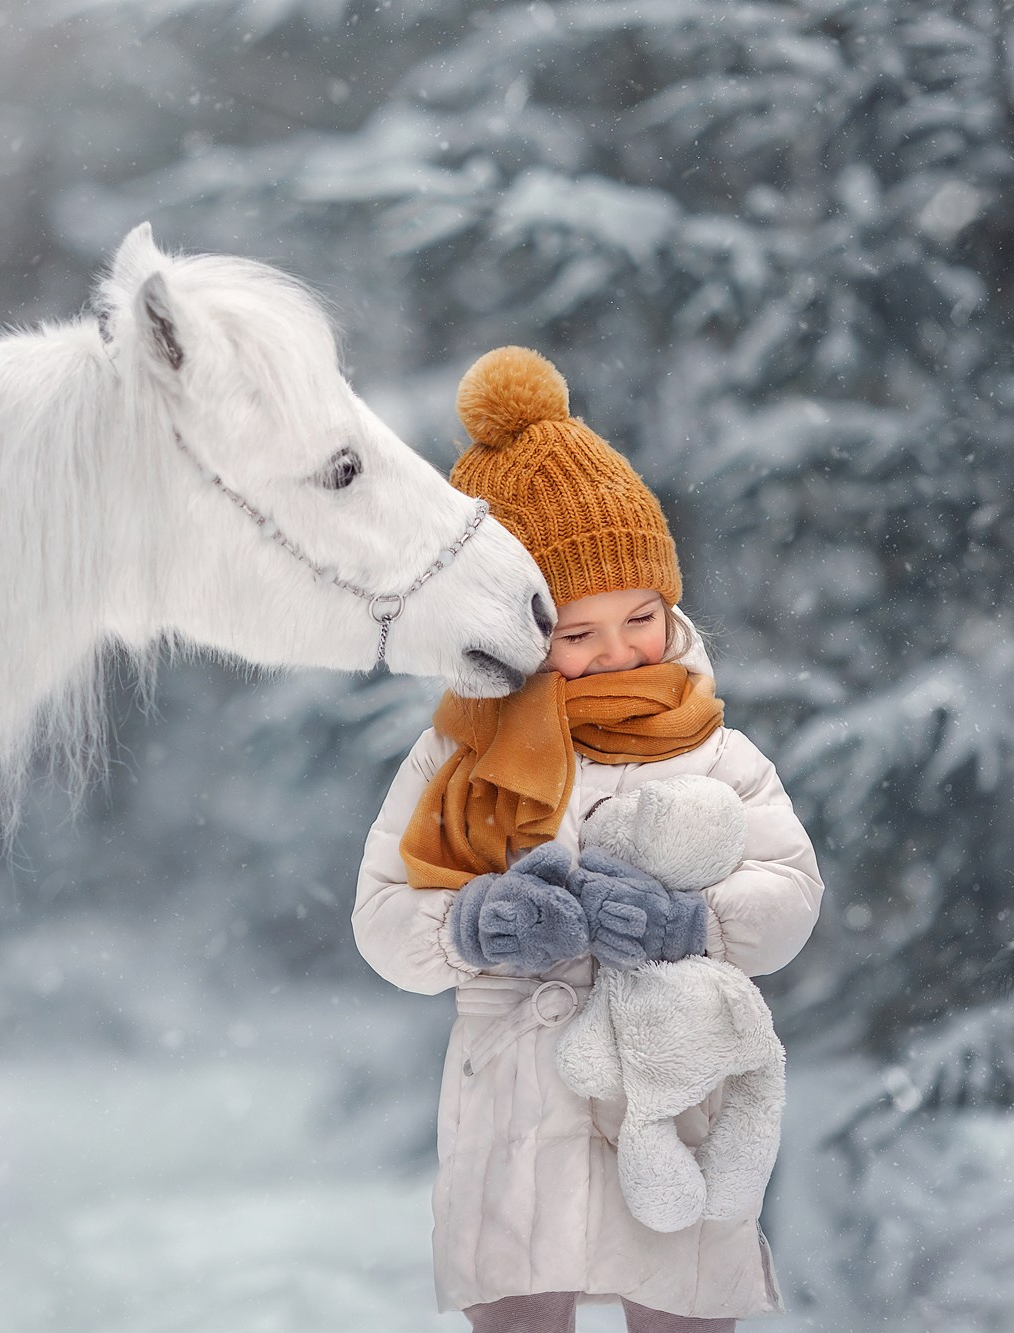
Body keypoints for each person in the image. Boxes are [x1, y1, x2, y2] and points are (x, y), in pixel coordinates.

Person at [352, 347, 825, 1333]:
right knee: (522, 1310)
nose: (617, 652)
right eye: (578, 633)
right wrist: (474, 925)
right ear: (518, 629)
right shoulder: (453, 753)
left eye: (639, 618)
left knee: (679, 1307)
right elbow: (383, 916)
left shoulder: (710, 745)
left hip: (669, 1087)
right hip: (514, 1099)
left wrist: (689, 922)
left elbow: (786, 891)